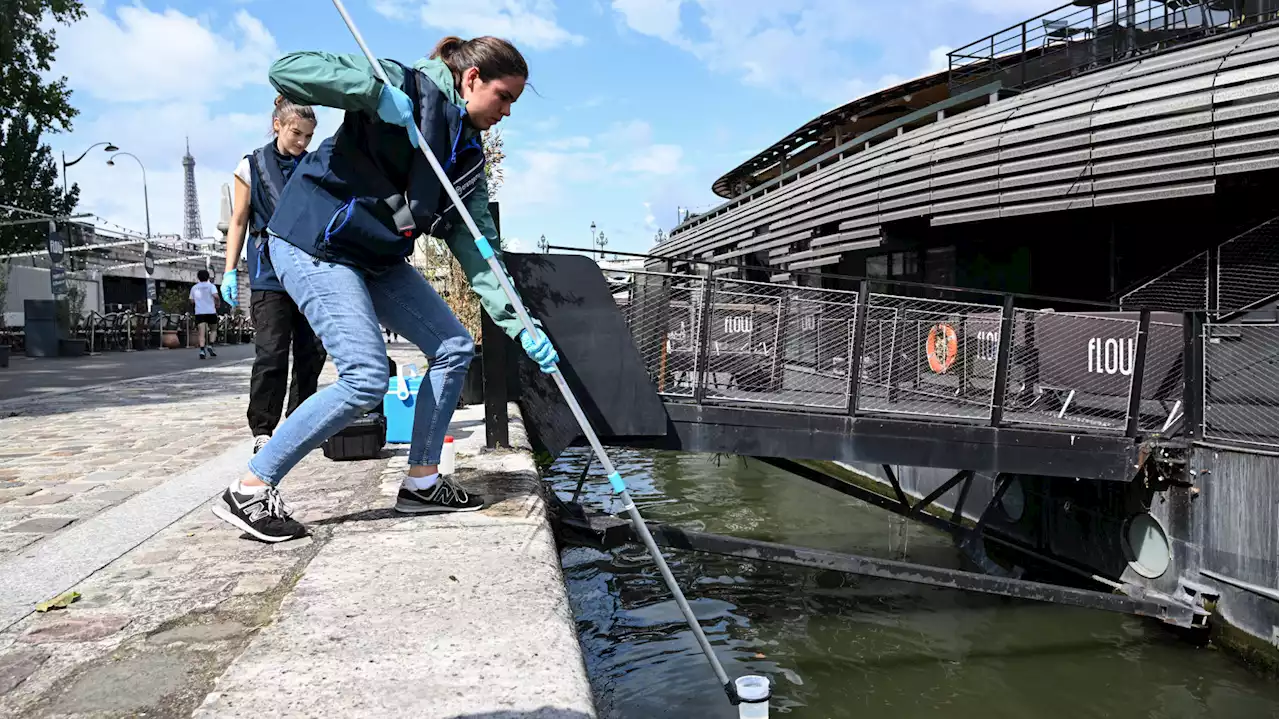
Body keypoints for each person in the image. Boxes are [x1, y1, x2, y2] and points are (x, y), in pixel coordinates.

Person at [211, 35, 559, 543]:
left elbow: (479, 246)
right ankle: (250, 487)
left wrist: (519, 321)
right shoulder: (401, 83)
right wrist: (373, 95)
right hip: (314, 241)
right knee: (365, 376)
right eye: (504, 97)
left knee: (454, 346)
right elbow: (289, 69)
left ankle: (422, 481)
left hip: (374, 256)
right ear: (472, 79)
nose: (507, 112)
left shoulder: (464, 155)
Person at [221, 96, 328, 455]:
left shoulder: (313, 165)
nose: (302, 142)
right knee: (272, 353)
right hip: (269, 275)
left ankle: (298, 422)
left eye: (309, 136)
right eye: (296, 133)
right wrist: (230, 271)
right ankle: (263, 429)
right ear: (277, 125)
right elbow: (238, 220)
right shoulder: (251, 166)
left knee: (313, 351)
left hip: (309, 272)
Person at [189, 270, 219, 359]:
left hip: (199, 312)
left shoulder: (194, 288)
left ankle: (202, 350)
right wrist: (217, 302)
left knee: (201, 332)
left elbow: (191, 300)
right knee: (213, 329)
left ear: (198, 277)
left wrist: (198, 302)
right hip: (211, 311)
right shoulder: (211, 286)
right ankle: (210, 344)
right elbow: (216, 296)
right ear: (208, 277)